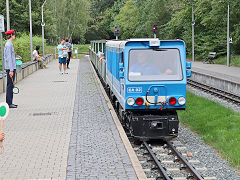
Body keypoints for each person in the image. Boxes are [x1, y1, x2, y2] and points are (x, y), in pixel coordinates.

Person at [4, 30, 17, 108]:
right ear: (11, 35)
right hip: (10, 68)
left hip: (11, 68)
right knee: (10, 85)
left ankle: (10, 102)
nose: (14, 36)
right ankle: (9, 103)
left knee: (11, 85)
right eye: (14, 35)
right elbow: (9, 58)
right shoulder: (8, 45)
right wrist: (11, 70)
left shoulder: (9, 44)